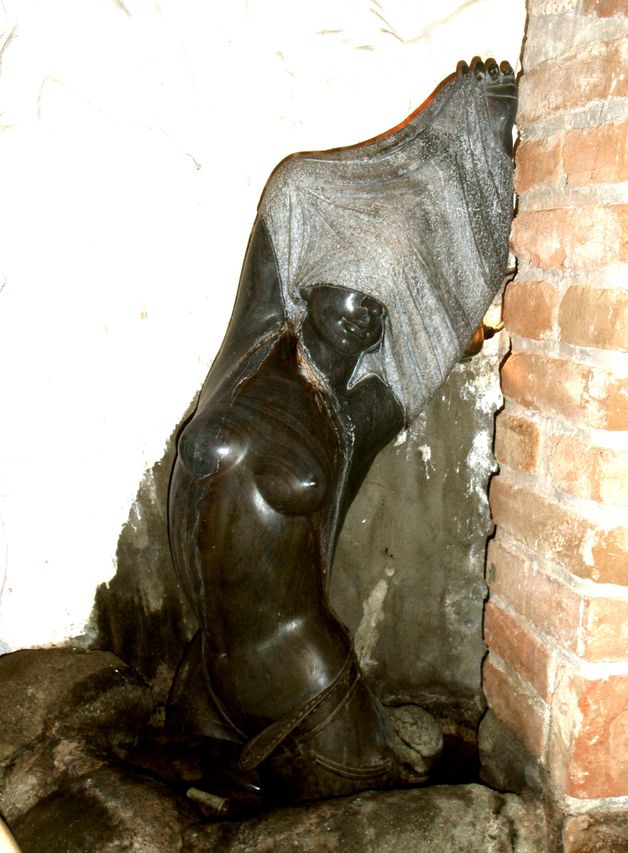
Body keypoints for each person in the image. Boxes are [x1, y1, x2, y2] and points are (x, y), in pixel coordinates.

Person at [168, 58, 516, 802]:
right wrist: (444, 132)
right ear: (311, 287)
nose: (368, 315)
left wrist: (483, 140)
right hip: (208, 676)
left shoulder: (349, 418)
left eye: (382, 310)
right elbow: (292, 195)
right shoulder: (254, 349)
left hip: (307, 675)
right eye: (357, 290)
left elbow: (426, 348)